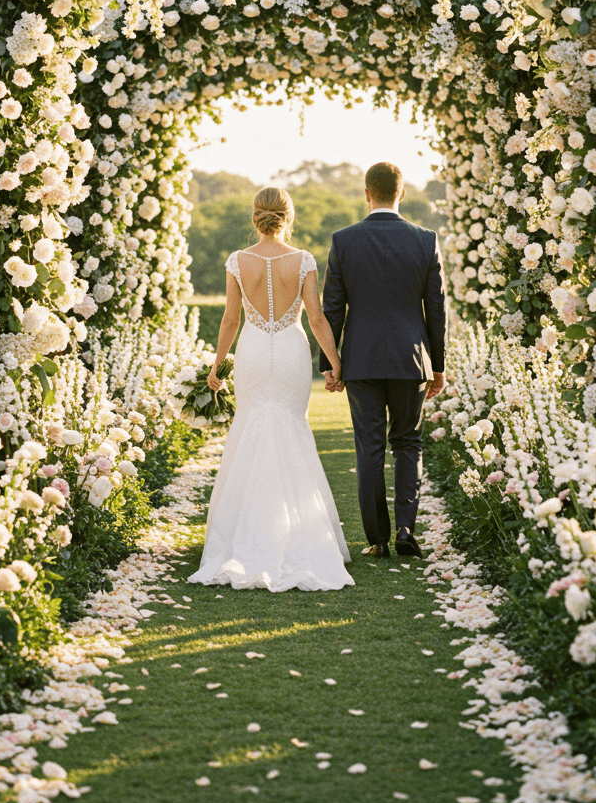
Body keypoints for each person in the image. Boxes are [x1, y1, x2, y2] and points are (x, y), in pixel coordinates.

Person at [187, 187, 354, 592]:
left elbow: (230, 319)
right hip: (292, 351)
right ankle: (300, 535)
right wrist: (336, 362)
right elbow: (316, 319)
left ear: (255, 217)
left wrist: (218, 365)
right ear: (288, 216)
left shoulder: (238, 261)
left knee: (251, 428)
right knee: (291, 428)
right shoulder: (303, 261)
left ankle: (242, 537)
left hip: (255, 351)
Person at [320, 162, 447, 560]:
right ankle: (407, 528)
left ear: (366, 192)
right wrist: (437, 364)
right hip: (412, 360)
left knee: (370, 446)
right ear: (401, 193)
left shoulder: (344, 241)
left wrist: (331, 363)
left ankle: (378, 539)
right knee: (408, 442)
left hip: (361, 360)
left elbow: (332, 308)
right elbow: (437, 309)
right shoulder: (425, 240)